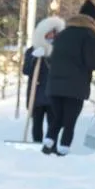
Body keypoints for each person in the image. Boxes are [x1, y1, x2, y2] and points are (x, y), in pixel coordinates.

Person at [41, 0, 95, 156]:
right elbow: (92, 61)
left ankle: (48, 142)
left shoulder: (61, 34)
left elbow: (49, 58)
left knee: (57, 118)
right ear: (91, 19)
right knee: (69, 121)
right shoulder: (89, 35)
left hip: (54, 85)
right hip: (75, 86)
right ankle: (64, 149)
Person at [21, 14, 65, 146]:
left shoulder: (60, 51)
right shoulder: (32, 50)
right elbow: (26, 70)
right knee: (37, 124)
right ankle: (37, 144)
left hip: (53, 94)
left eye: (54, 33)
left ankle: (51, 146)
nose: (52, 36)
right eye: (49, 33)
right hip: (37, 94)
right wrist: (34, 58)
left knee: (53, 124)